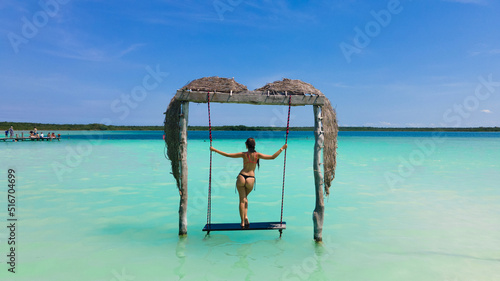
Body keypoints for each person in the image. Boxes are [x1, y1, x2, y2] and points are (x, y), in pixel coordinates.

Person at [210, 138, 287, 228]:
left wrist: (214, 150)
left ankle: (243, 221)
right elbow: (272, 157)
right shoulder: (257, 155)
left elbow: (227, 155)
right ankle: (245, 217)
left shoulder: (244, 154)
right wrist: (282, 148)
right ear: (254, 145)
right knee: (245, 199)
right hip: (250, 178)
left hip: (241, 176)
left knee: (242, 200)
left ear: (246, 145)